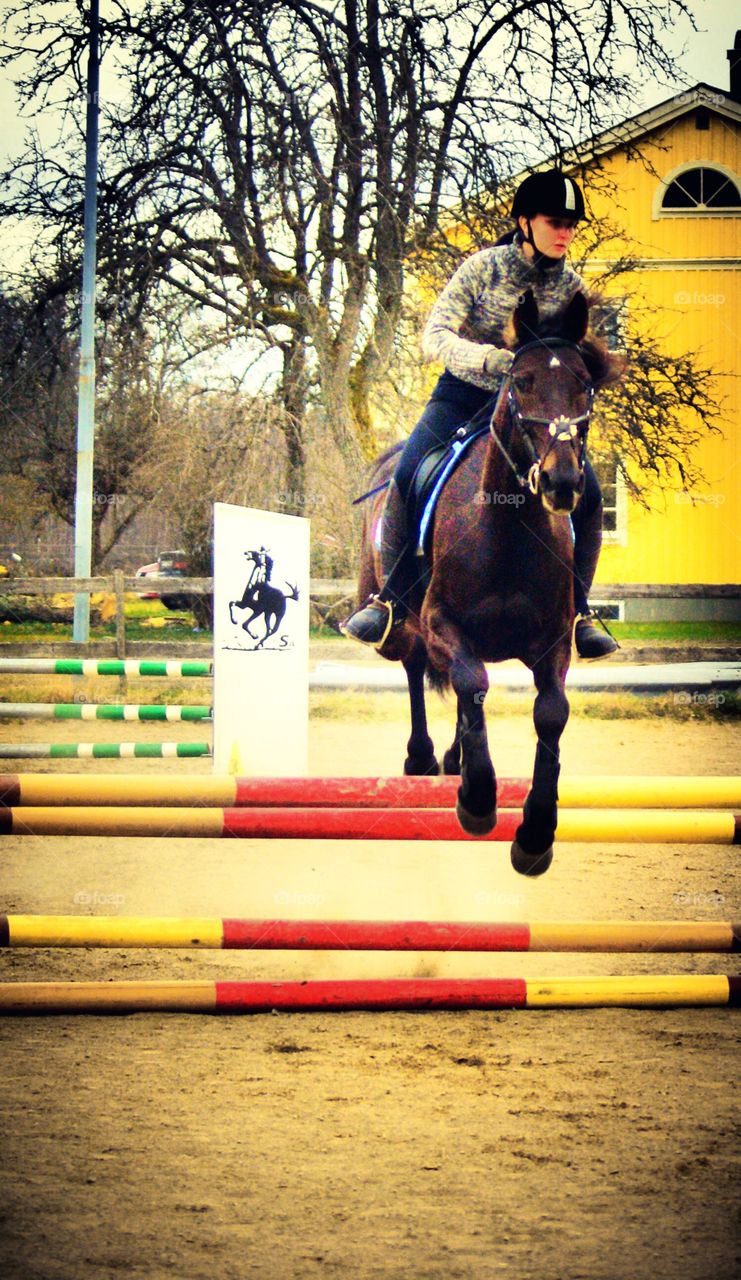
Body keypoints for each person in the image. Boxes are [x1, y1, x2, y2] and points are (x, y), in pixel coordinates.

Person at [341, 168, 618, 659]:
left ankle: (580, 613)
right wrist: (488, 359)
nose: (565, 233)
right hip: (464, 394)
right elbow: (434, 337)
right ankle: (390, 601)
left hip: (533, 409)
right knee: (408, 473)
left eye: (571, 225)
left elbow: (567, 355)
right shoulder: (482, 269)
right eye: (555, 222)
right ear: (524, 222)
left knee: (590, 493)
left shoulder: (570, 285)